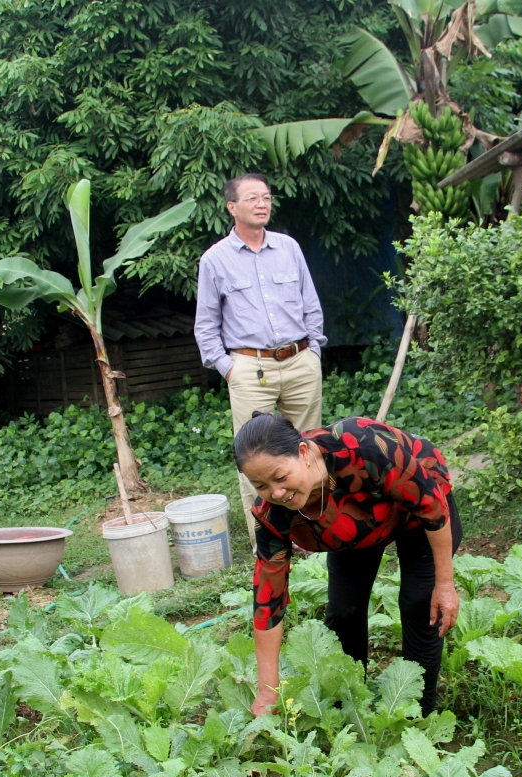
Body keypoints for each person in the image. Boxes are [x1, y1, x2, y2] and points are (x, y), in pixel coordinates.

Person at [235, 411, 462, 718]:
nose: (276, 493)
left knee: (419, 604)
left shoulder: (363, 447)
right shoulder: (272, 515)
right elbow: (268, 603)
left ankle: (415, 715)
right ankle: (349, 706)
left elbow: (432, 507)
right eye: (261, 486)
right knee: (345, 611)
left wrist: (445, 585)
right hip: (351, 528)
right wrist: (267, 691)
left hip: (418, 515)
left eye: (280, 477)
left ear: (302, 453)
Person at [194, 173, 328, 541]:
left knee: (308, 448)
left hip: (300, 360)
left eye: (266, 197)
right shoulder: (215, 260)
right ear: (232, 207)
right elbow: (205, 326)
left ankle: (314, 537)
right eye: (252, 198)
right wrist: (229, 368)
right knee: (256, 457)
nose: (262, 204)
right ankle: (267, 544)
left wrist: (313, 351)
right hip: (250, 368)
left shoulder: (288, 248)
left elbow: (311, 305)